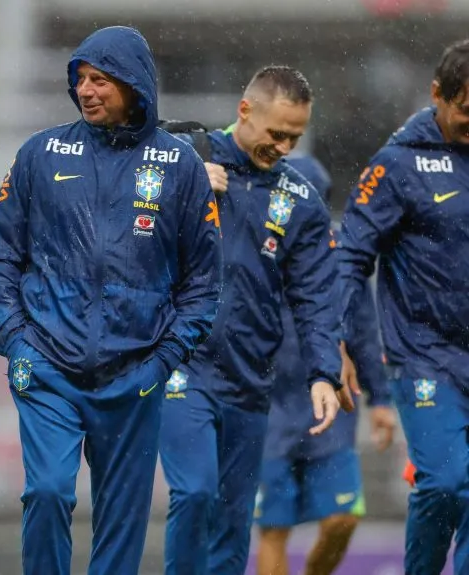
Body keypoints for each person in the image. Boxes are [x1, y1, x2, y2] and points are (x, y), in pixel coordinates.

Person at [0, 26, 224, 575]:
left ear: (134, 85)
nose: (86, 91)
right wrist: (16, 342)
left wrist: (161, 362)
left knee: (123, 518)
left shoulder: (180, 166)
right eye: (80, 80)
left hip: (135, 374)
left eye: (100, 80)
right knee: (46, 493)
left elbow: (204, 282)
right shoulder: (40, 154)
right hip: (47, 368)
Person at [158, 66, 355, 575]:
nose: (285, 146)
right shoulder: (180, 153)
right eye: (276, 133)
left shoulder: (301, 202)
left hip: (250, 376)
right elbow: (114, 190)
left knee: (232, 520)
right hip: (184, 363)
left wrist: (321, 373)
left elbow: (315, 297)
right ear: (245, 111)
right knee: (195, 491)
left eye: (295, 136)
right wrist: (185, 182)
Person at [337, 38, 469, 575]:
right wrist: (336, 337)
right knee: (444, 482)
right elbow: (349, 258)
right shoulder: (396, 166)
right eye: (466, 110)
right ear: (437, 94)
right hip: (425, 356)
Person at [254, 154, 397, 575]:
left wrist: (382, 398)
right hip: (269, 412)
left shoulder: (342, 259)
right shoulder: (254, 249)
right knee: (273, 529)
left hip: (331, 414)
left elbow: (364, 332)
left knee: (343, 519)